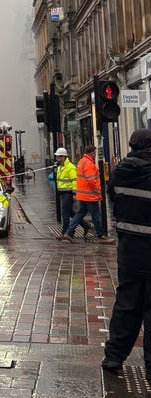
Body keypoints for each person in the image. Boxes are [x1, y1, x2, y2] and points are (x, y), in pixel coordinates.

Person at [103, 129, 151, 378]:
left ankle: (114, 357)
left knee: (126, 304)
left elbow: (113, 201)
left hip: (129, 249)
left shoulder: (120, 171)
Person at [62, 144, 115, 244]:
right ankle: (101, 236)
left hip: (83, 194)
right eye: (94, 152)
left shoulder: (82, 161)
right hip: (90, 195)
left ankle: (68, 233)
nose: (95, 154)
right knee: (96, 216)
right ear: (91, 153)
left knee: (80, 214)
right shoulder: (89, 164)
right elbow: (91, 181)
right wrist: (98, 190)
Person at [53, 147, 89, 240]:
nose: (57, 159)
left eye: (59, 157)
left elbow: (75, 181)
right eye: (57, 157)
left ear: (63, 157)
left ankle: (66, 233)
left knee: (64, 213)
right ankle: (85, 225)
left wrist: (74, 194)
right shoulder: (60, 166)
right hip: (62, 192)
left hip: (68, 193)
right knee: (71, 213)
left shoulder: (70, 167)